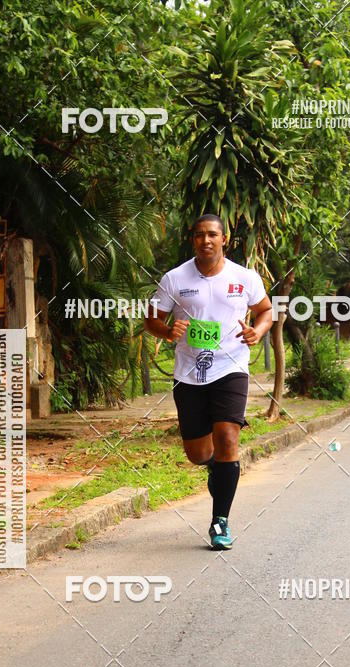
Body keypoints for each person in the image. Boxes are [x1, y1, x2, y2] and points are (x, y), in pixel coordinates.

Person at [145, 214, 273, 549]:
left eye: (212, 234)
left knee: (228, 437)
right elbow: (152, 320)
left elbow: (265, 311)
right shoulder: (174, 279)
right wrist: (167, 331)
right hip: (189, 372)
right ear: (192, 240)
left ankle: (220, 522)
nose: (206, 240)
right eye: (200, 235)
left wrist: (256, 332)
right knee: (197, 452)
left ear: (224, 239)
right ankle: (216, 466)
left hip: (231, 368)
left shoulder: (244, 278)